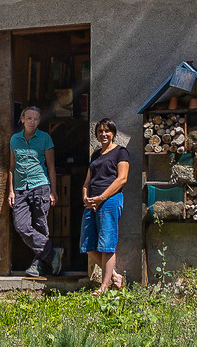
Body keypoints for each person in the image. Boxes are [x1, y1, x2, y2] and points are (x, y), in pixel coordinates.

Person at [8, 105, 62, 278]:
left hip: (41, 186)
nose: (32, 122)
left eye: (36, 119)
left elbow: (51, 167)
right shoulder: (14, 140)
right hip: (20, 189)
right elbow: (11, 167)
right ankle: (53, 254)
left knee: (41, 227)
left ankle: (37, 266)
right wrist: (11, 191)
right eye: (29, 118)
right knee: (21, 225)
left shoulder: (45, 138)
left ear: (39, 121)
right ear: (22, 119)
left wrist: (53, 191)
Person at [81, 117, 131, 292]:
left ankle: (104, 287)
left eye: (107, 131)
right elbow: (87, 181)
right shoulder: (95, 155)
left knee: (107, 245)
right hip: (92, 202)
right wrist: (86, 197)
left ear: (113, 133)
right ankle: (116, 276)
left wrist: (101, 197)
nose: (103, 134)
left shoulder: (120, 152)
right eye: (100, 131)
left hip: (109, 200)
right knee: (87, 245)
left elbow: (122, 179)